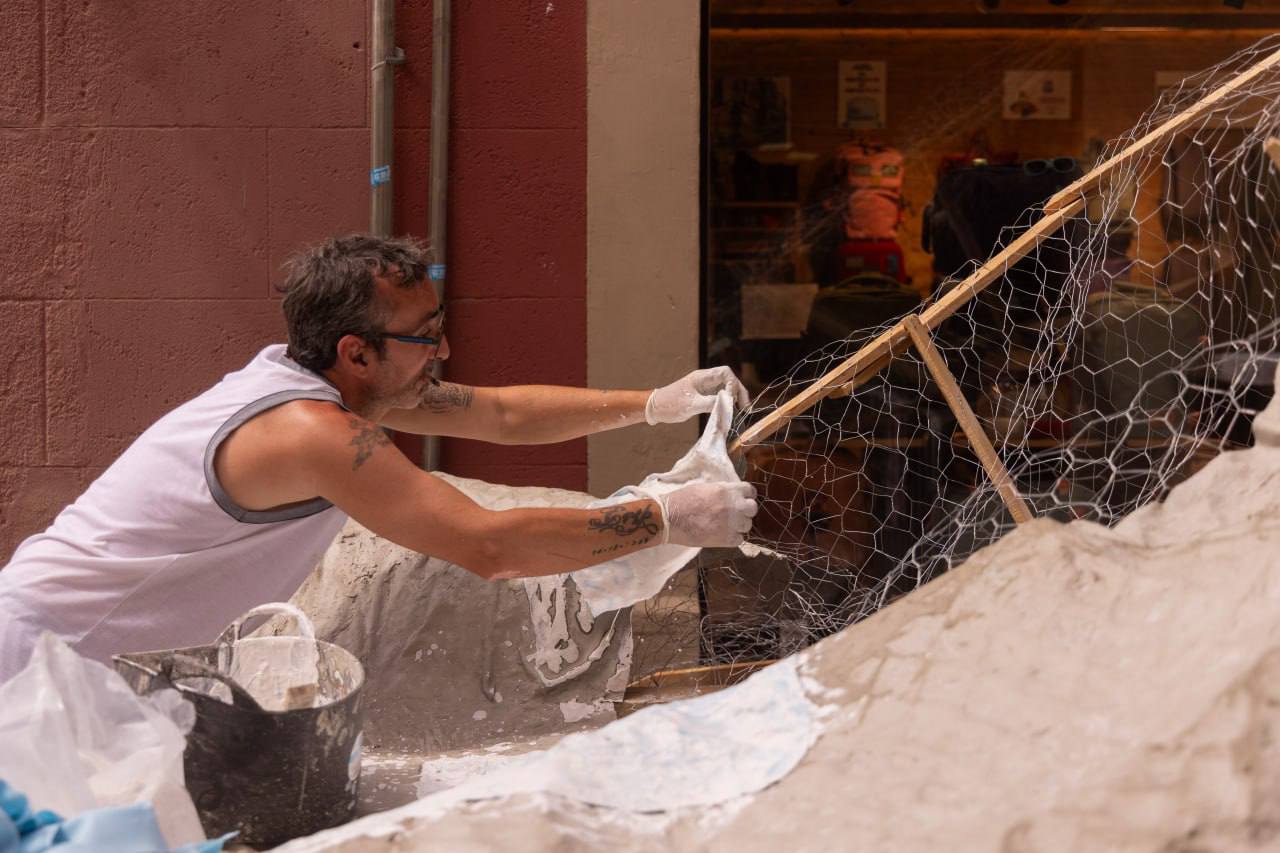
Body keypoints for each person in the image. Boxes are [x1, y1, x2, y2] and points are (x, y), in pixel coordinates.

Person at [0, 235, 757, 681]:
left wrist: (655, 400)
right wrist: (664, 517)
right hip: (37, 661)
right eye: (427, 335)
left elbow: (500, 411)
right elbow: (486, 545)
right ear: (355, 351)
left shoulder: (336, 388)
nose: (447, 350)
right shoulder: (313, 434)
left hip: (86, 667)